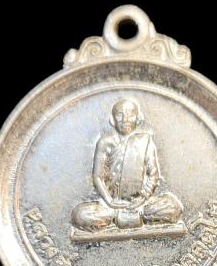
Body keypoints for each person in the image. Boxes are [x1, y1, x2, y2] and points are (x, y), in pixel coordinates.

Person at [71, 99, 183, 232]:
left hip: (141, 205)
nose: (125, 119)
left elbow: (153, 175)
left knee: (173, 207)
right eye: (120, 114)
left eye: (130, 114)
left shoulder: (145, 141)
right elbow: (98, 177)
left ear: (138, 118)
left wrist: (142, 199)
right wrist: (110, 201)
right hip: (111, 206)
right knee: (80, 214)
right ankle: (120, 216)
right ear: (112, 120)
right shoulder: (105, 142)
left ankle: (136, 215)